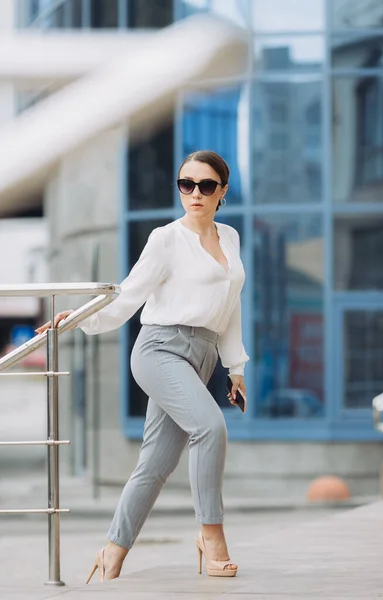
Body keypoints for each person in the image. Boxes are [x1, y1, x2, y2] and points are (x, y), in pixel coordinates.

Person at [36, 149, 249, 581]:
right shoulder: (165, 239)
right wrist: (76, 319)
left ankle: (111, 551)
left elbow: (232, 307)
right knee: (210, 428)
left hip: (203, 355)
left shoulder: (229, 238)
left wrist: (235, 367)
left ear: (222, 191)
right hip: (160, 350)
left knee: (154, 465)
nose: (195, 193)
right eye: (186, 184)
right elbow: (127, 296)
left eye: (206, 186)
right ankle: (212, 535)